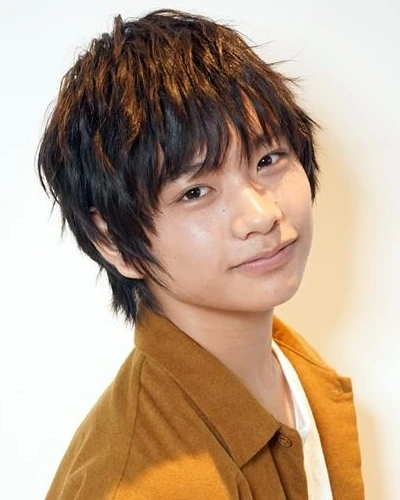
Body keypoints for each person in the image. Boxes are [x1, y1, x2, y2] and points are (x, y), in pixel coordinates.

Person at [37, 8, 364, 499]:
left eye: (269, 159)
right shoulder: (149, 486)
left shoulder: (294, 370)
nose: (261, 214)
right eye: (195, 192)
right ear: (113, 242)